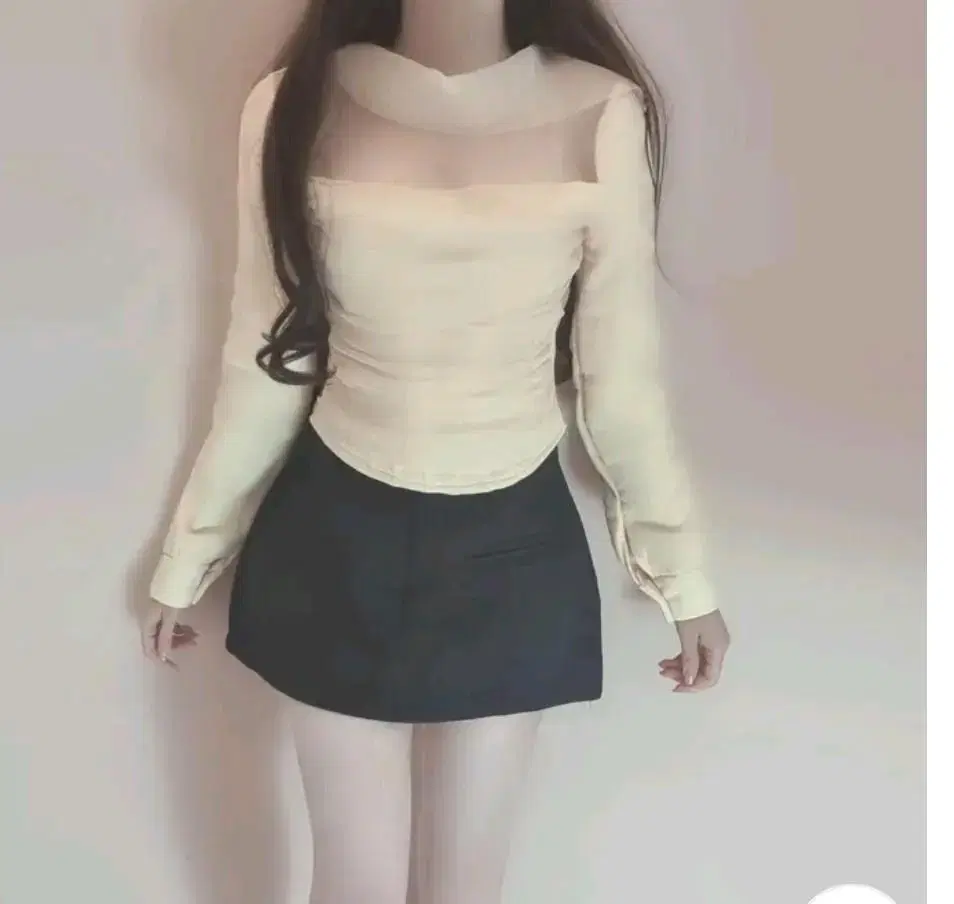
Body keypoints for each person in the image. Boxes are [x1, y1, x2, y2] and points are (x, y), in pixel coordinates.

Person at [140, 0, 731, 901]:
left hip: (513, 543)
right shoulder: (293, 102)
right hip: (335, 536)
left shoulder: (603, 109)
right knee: (356, 885)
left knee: (466, 889)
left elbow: (621, 379)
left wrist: (683, 580)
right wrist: (188, 558)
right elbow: (266, 359)